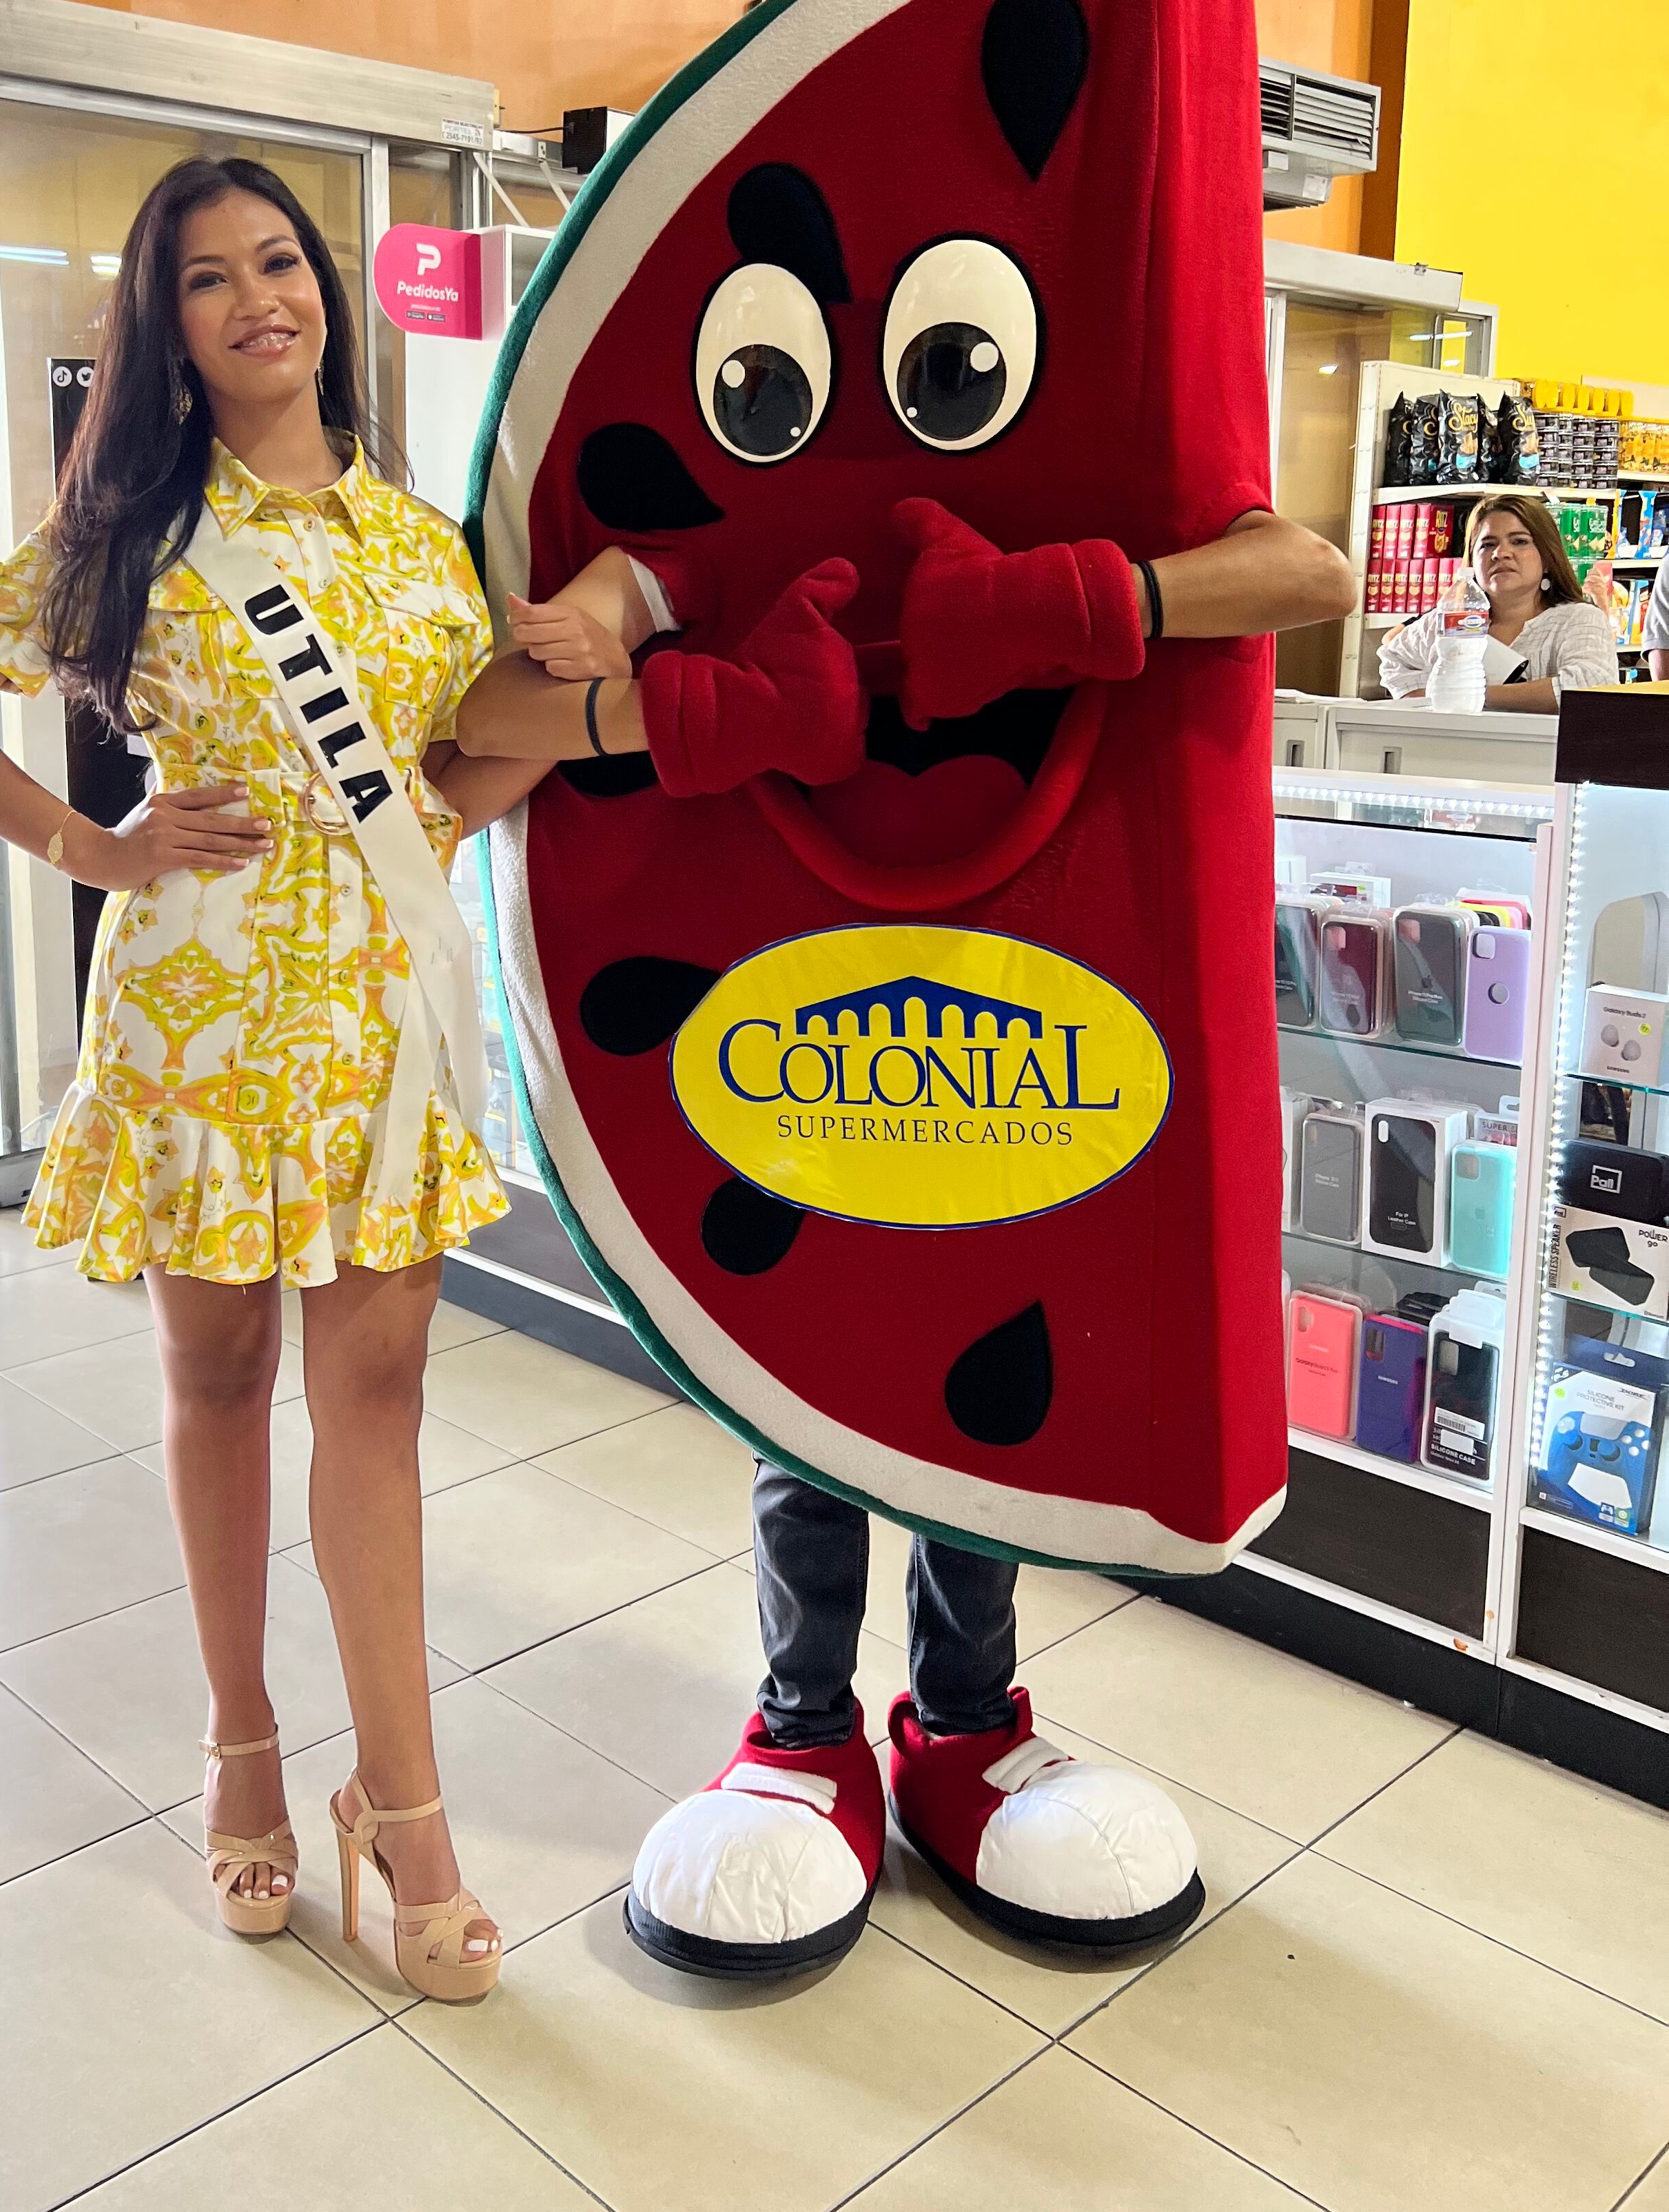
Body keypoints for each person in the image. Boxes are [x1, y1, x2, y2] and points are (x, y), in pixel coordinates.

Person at [459, 500, 1355, 1969]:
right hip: (802, 1007)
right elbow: (495, 716)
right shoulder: (719, 527)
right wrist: (658, 661)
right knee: (808, 1393)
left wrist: (1064, 598)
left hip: (1001, 1006)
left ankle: (960, 1715)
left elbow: (1308, 569)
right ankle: (803, 1720)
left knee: (969, 1378)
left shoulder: (1057, 488)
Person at [0, 157, 543, 2000]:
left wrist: (555, 708)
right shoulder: (130, 537)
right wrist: (94, 849)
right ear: (164, 329)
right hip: (202, 1010)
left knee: (381, 1393)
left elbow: (455, 777)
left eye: (280, 262)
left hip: (382, 1010)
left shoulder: (424, 544)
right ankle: (242, 1742)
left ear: (325, 287)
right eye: (208, 279)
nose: (260, 299)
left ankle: (404, 1810)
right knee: (220, 1376)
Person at [1378, 493, 1618, 708]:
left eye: (1519, 541)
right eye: (1488, 545)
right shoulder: (1450, 621)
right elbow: (1394, 659)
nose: (1500, 553)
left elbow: (1589, 686)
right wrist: (1428, 702)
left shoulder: (1579, 619)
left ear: (1547, 558)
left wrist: (1468, 696)